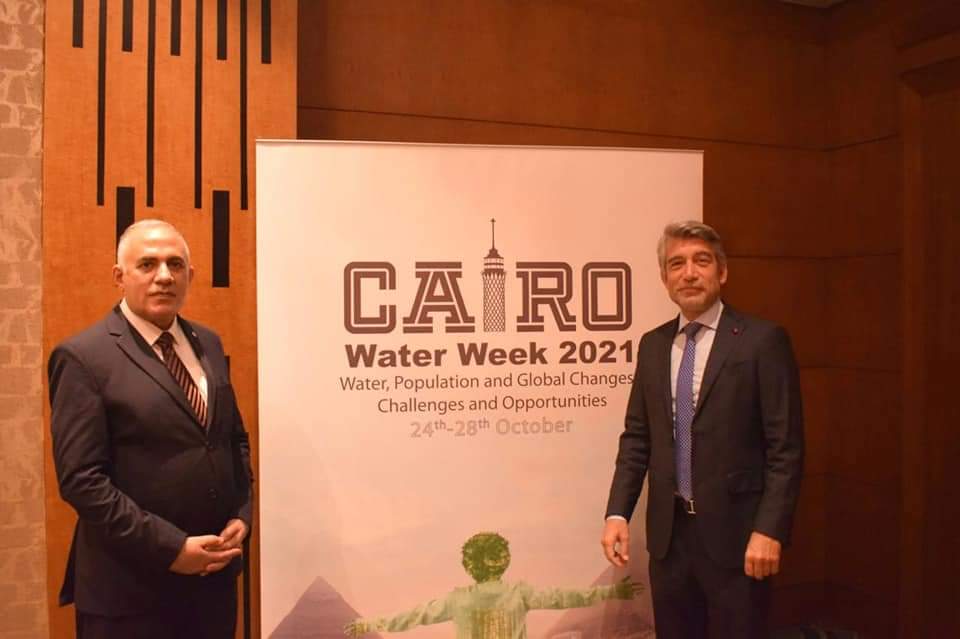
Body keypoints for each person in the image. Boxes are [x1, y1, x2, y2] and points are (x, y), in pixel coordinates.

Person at [49, 219, 254, 639]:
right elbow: (82, 481)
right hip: (129, 596)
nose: (164, 276)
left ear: (190, 275)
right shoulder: (83, 357)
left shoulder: (209, 343)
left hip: (211, 587)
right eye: (147, 264)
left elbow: (232, 439)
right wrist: (172, 549)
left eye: (175, 265)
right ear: (119, 276)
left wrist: (242, 513)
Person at [601, 221, 804, 639]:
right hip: (670, 539)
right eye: (677, 264)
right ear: (664, 278)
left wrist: (769, 530)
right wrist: (617, 512)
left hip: (739, 539)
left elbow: (785, 448)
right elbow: (637, 437)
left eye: (701, 261)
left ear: (722, 271)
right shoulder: (653, 345)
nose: (689, 273)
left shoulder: (761, 340)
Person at [345, 531, 638, 639]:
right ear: (504, 560)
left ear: (469, 565)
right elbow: (563, 598)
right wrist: (611, 591)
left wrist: (369, 623)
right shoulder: (519, 594)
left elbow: (413, 617)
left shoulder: (457, 600)